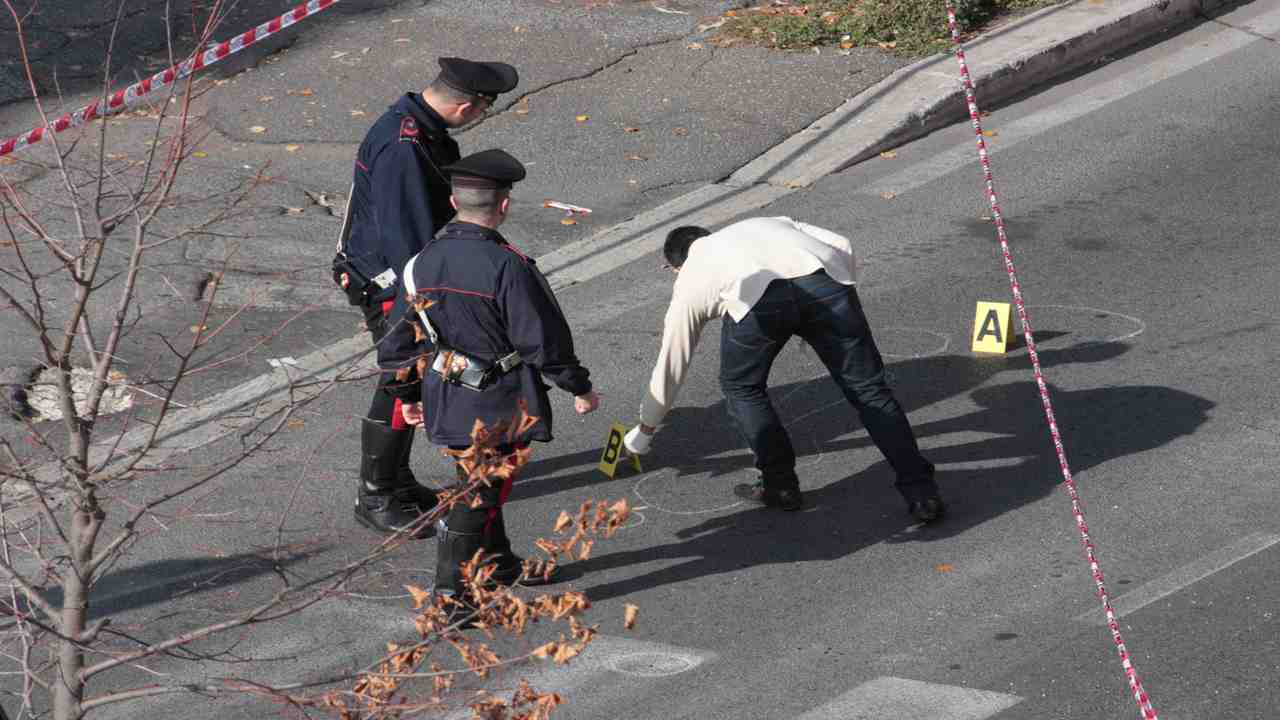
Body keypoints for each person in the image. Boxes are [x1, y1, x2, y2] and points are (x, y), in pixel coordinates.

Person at [377, 149, 601, 610]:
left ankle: (497, 564)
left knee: (479, 482)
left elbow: (399, 342)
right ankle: (452, 599)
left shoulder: (419, 263)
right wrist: (578, 386)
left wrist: (407, 395)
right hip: (497, 402)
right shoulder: (506, 266)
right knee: (478, 495)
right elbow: (542, 339)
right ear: (502, 205)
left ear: (455, 202)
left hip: (445, 394)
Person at [622, 217, 946, 523]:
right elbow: (841, 243)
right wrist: (838, 299)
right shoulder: (767, 223)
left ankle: (780, 485)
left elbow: (673, 361)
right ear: (707, 235)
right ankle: (922, 493)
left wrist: (646, 428)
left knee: (742, 388)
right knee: (868, 390)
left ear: (674, 266)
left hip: (760, 301)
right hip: (826, 283)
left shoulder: (692, 274)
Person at [339, 58, 519, 537]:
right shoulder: (408, 147)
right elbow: (407, 237)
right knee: (402, 378)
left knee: (407, 378)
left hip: (393, 274)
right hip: (396, 284)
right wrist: (429, 298)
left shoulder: (417, 127)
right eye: (481, 109)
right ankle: (376, 494)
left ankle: (395, 479)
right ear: (466, 105)